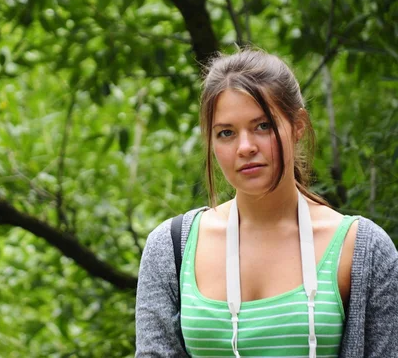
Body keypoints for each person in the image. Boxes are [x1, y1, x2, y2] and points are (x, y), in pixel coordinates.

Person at [135, 49, 398, 357]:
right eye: (226, 133)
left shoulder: (361, 249)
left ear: (297, 125)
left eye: (262, 126)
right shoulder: (171, 248)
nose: (245, 147)